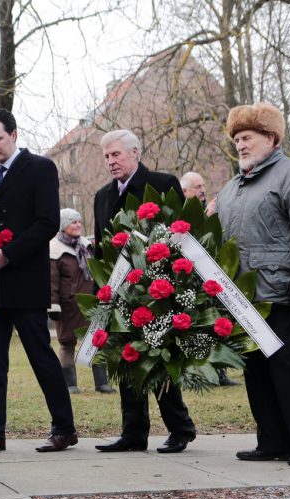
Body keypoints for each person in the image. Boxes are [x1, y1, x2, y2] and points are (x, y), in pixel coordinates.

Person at [0, 109, 79, 456]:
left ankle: (64, 428)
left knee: (41, 357)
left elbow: (46, 223)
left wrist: (6, 254)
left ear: (14, 134)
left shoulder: (40, 168)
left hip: (25, 280)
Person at [214, 102, 290, 467]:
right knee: (255, 368)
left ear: (270, 138)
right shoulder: (231, 187)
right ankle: (271, 440)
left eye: (247, 137)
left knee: (286, 365)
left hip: (280, 290)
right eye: (236, 138)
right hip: (243, 296)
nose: (240, 144)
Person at [92, 129, 197, 454]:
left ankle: (180, 428)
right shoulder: (102, 196)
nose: (111, 161)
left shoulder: (163, 183)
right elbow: (100, 247)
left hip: (157, 287)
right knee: (127, 359)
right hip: (119, 292)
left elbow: (181, 233)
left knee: (160, 360)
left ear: (135, 152)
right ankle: (133, 432)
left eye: (116, 155)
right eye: (107, 156)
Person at [181, 171, 239, 386]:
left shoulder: (211, 210)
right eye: (197, 186)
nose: (203, 189)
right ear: (185, 191)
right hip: (191, 282)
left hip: (213, 278)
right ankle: (199, 373)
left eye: (203, 185)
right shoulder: (181, 214)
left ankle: (220, 373)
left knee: (218, 322)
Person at [48, 208, 114, 395]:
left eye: (78, 221)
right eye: (72, 222)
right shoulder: (54, 250)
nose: (78, 225)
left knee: (97, 340)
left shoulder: (87, 246)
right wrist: (53, 305)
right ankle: (69, 384)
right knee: (67, 343)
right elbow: (50, 280)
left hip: (91, 302)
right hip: (68, 305)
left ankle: (102, 383)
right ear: (63, 226)